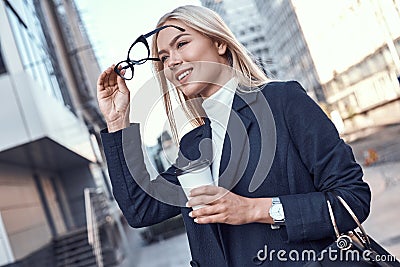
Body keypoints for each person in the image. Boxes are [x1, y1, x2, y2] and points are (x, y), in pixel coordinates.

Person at [97, 5, 371, 267]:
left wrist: (253, 209)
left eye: (181, 44)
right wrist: (117, 120)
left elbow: (351, 200)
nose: (173, 61)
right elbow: (140, 208)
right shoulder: (193, 146)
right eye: (164, 57)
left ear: (219, 43)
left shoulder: (282, 102)